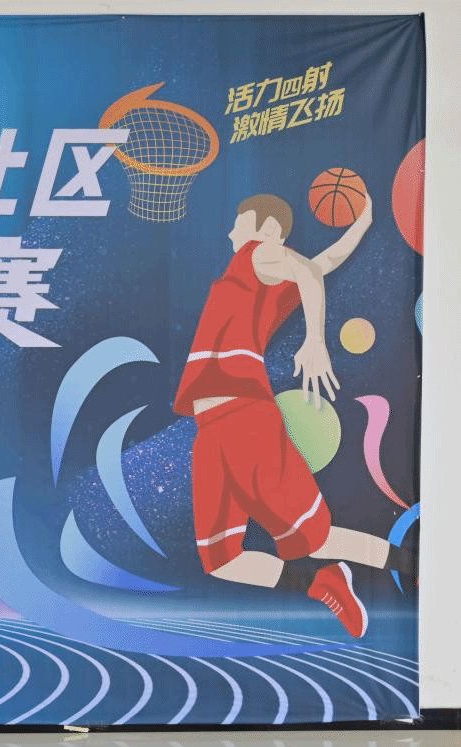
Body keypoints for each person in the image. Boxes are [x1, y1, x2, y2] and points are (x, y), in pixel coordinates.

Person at [174, 192, 412, 638]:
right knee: (222, 560)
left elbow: (308, 271)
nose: (231, 231)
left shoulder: (255, 253)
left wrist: (315, 341)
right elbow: (321, 265)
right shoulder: (261, 277)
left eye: (239, 221)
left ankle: (414, 566)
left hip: (244, 420)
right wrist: (361, 226)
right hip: (211, 430)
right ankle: (324, 583)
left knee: (315, 537)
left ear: (268, 230)